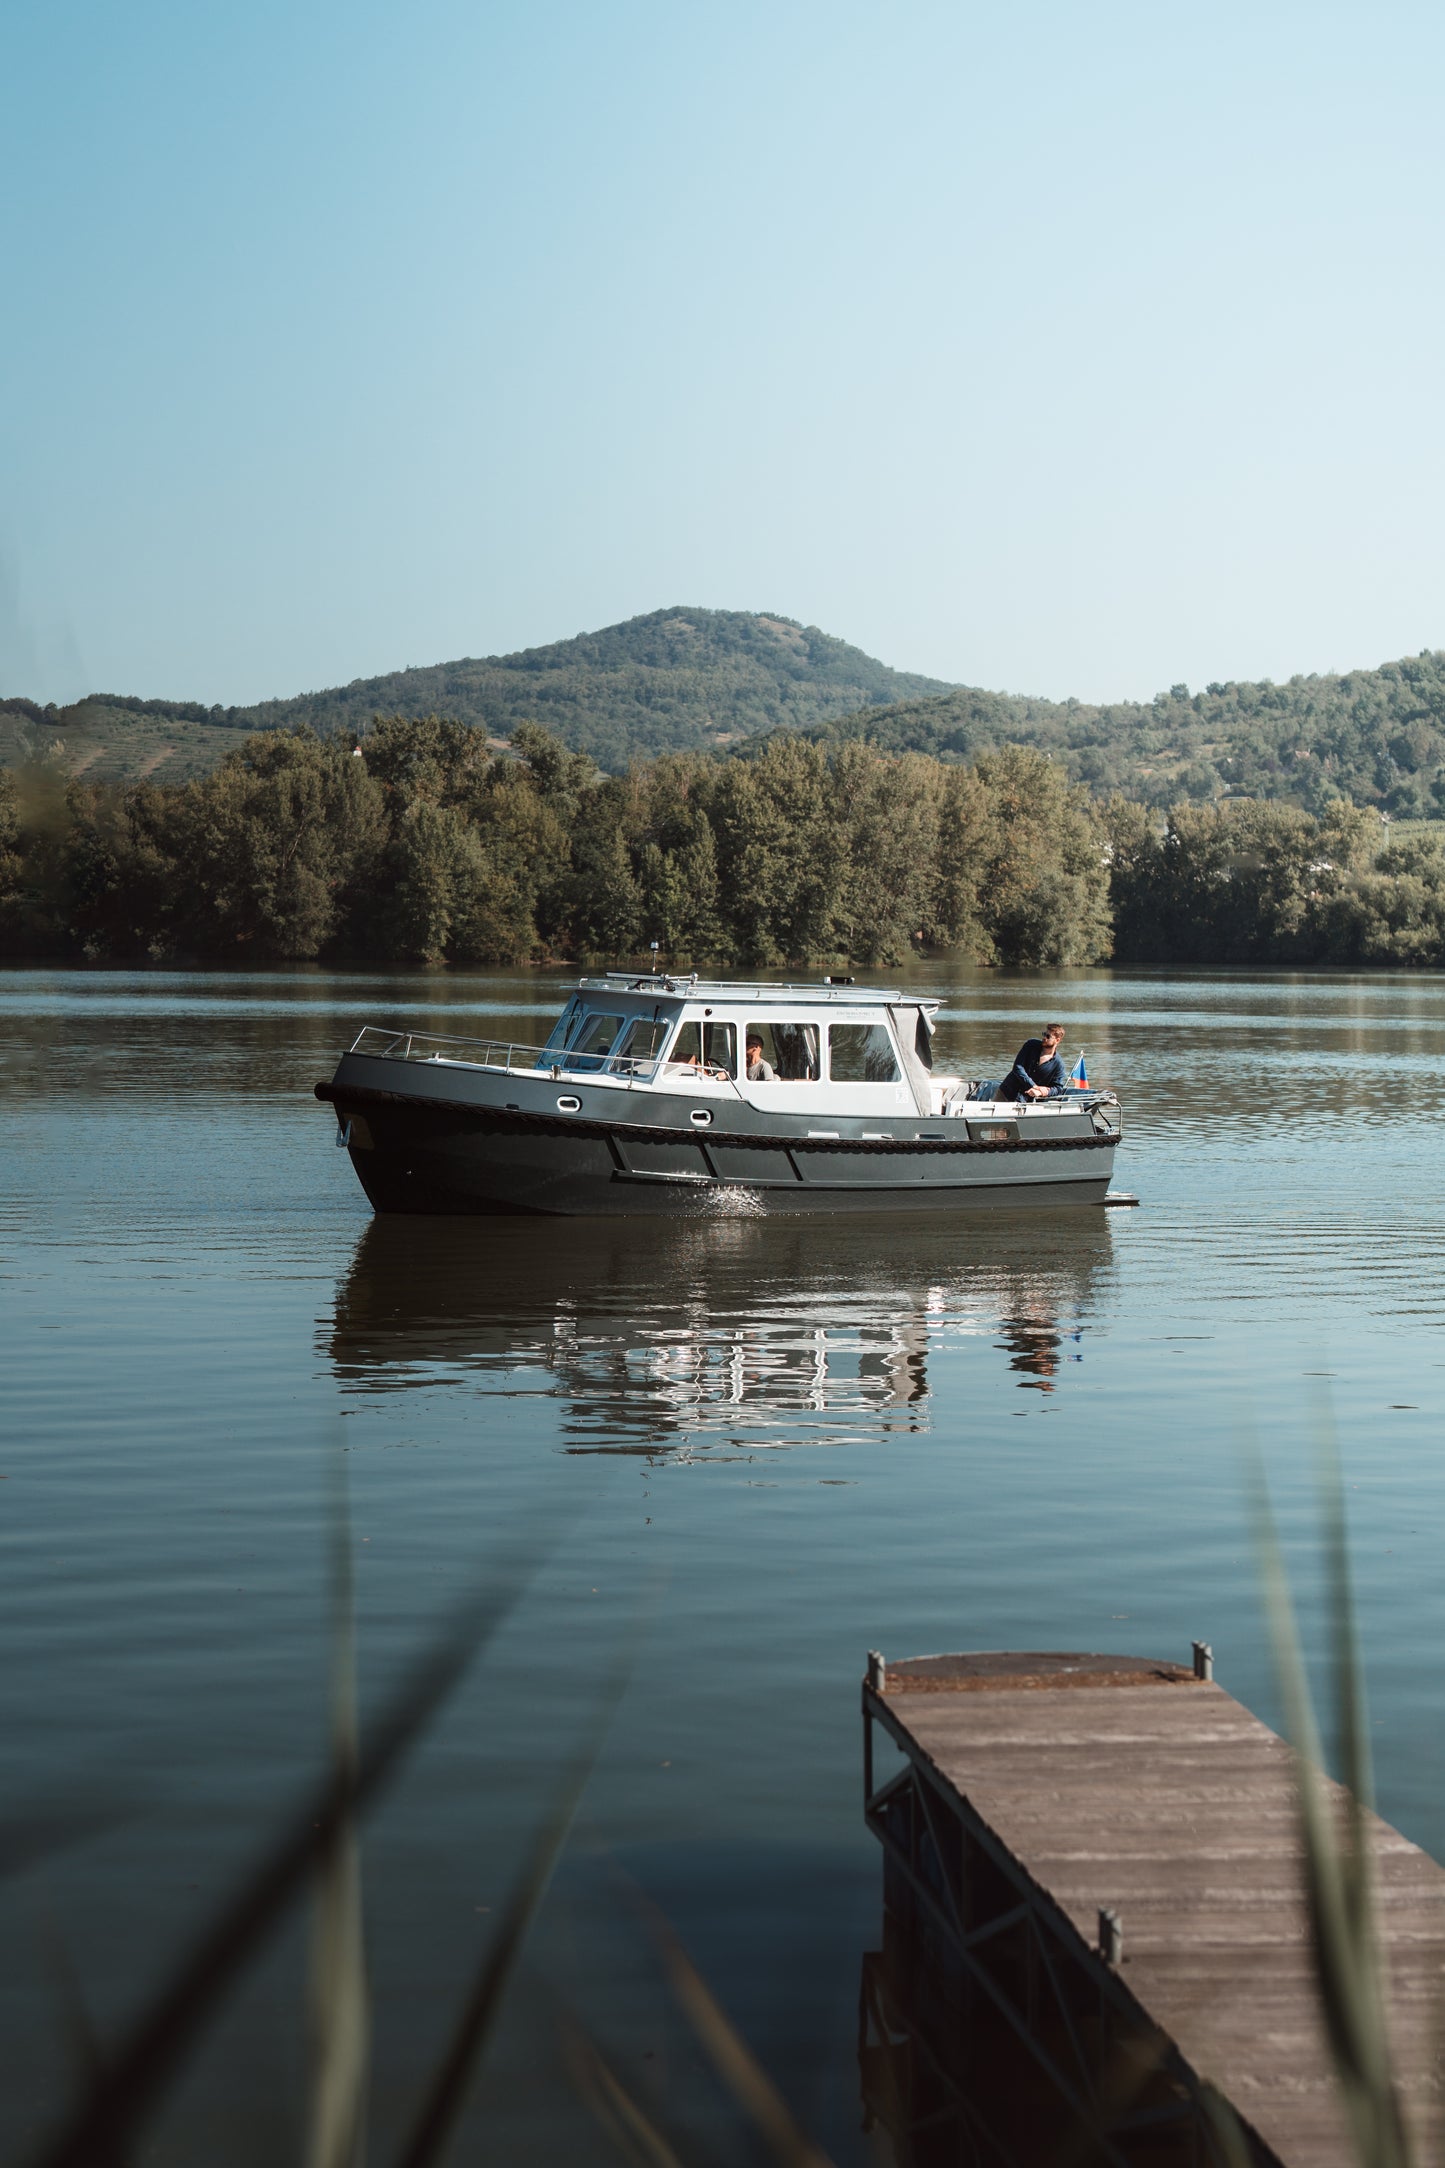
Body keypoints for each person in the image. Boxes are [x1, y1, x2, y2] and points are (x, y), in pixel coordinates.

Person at [996, 1023, 1066, 1101]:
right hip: (1006, 1092)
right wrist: (1033, 1086)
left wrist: (1043, 1092)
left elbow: (1058, 1088)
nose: (1044, 1038)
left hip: (1026, 1102)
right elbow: (1018, 1067)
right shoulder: (1031, 1045)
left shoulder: (1058, 1064)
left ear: (1057, 1040)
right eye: (1044, 1034)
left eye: (1048, 1036)